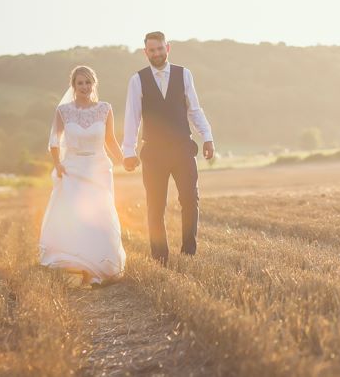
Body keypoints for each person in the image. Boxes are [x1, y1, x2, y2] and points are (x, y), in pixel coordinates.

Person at [122, 31, 214, 265]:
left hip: (183, 147)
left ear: (168, 48)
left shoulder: (184, 75)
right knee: (155, 205)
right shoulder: (137, 80)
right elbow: (132, 118)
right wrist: (129, 151)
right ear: (146, 52)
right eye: (152, 50)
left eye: (160, 49)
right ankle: (160, 256)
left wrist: (207, 136)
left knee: (190, 199)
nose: (157, 53)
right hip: (153, 152)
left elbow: (194, 109)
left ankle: (188, 251)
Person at [39, 66, 127, 286]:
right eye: (80, 83)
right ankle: (79, 265)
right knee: (76, 218)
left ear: (93, 84)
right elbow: (53, 141)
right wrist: (58, 164)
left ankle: (102, 266)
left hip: (99, 170)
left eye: (88, 82)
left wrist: (124, 159)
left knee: (100, 216)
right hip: (73, 169)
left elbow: (110, 141)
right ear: (74, 86)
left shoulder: (105, 109)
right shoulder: (64, 111)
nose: (85, 87)